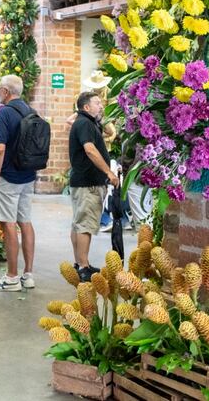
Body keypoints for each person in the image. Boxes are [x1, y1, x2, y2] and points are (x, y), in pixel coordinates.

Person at [0, 75, 38, 292]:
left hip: (8, 177)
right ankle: (28, 275)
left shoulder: (5, 112)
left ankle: (11, 278)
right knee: (25, 222)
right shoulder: (31, 111)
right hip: (28, 176)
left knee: (8, 225)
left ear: (6, 91)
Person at [69, 92, 119, 282]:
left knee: (78, 223)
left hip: (83, 182)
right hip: (88, 184)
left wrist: (101, 117)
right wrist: (109, 172)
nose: (101, 105)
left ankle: (79, 263)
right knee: (85, 225)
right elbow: (90, 149)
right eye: (97, 103)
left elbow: (108, 132)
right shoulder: (84, 124)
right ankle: (83, 267)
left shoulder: (88, 123)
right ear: (86, 107)